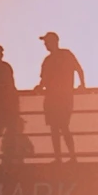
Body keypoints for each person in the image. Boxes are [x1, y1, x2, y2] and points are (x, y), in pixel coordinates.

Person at [36, 32, 85, 163]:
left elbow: (79, 69)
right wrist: (82, 85)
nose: (45, 45)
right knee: (56, 128)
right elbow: (44, 81)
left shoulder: (63, 55)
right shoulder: (52, 59)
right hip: (56, 98)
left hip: (61, 98)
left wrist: (83, 85)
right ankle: (62, 157)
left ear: (54, 41)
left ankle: (68, 157)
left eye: (47, 42)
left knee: (61, 126)